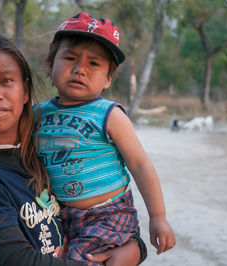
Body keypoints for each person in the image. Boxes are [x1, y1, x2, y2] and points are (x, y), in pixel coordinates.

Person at [0, 33, 147, 265]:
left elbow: (93, 213)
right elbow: (18, 260)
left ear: (25, 90)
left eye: (7, 80)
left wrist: (136, 247)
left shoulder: (40, 148)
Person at [35, 12, 176, 265]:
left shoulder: (108, 114)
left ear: (108, 78)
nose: (80, 69)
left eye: (94, 64)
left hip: (108, 214)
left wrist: (158, 216)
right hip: (60, 214)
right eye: (70, 58)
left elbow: (140, 164)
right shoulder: (37, 115)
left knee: (80, 260)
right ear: (50, 64)